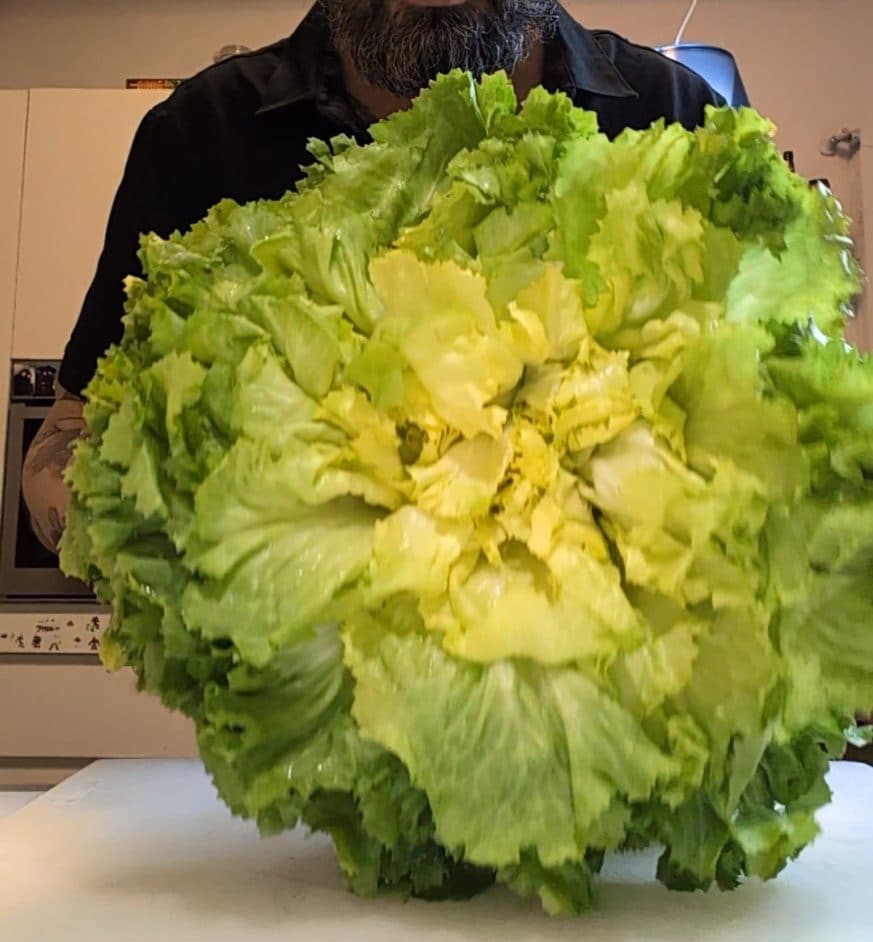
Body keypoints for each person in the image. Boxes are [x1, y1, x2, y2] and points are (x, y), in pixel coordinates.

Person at [22, 0, 722, 551]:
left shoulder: (677, 120)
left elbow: (764, 418)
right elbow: (70, 436)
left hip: (589, 698)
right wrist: (168, 524)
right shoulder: (203, 136)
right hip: (320, 700)